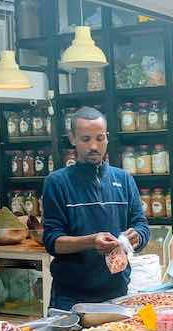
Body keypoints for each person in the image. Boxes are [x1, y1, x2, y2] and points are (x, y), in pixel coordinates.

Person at [42, 107, 150, 310]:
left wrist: (137, 237)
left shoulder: (123, 179)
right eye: (85, 139)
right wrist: (90, 242)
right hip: (71, 298)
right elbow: (52, 241)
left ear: (107, 138)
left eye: (100, 138)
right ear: (72, 138)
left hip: (117, 292)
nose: (94, 146)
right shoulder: (57, 182)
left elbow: (141, 225)